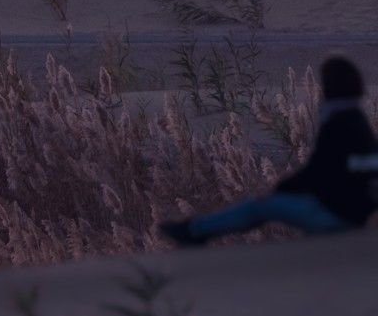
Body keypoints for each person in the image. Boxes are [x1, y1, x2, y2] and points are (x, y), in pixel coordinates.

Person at [161, 55, 378, 246]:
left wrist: (280, 189)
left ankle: (193, 231)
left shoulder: (339, 124)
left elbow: (318, 170)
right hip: (351, 214)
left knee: (258, 207)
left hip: (333, 215)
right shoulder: (358, 122)